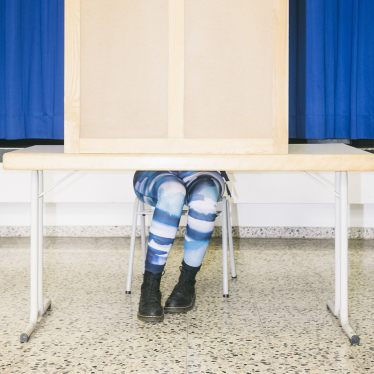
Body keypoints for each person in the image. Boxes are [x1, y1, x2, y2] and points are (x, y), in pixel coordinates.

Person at [133, 171, 229, 322]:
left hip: (203, 170)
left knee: (205, 197)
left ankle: (187, 282)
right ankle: (150, 286)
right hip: (155, 170)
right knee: (173, 192)